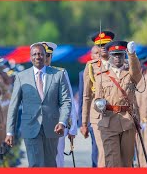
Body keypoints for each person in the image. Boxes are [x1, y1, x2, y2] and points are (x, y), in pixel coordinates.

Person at [5, 43, 72, 167]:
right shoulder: (21, 77)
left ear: (46, 55)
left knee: (50, 164)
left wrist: (62, 122)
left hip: (53, 127)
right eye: (34, 54)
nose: (38, 57)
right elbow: (13, 105)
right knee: (36, 164)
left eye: (41, 54)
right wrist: (10, 132)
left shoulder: (58, 75)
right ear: (30, 57)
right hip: (31, 127)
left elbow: (66, 101)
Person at [93, 40, 141, 167]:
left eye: (120, 54)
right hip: (109, 122)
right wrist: (99, 105)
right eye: (115, 55)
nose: (117, 58)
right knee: (112, 161)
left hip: (127, 121)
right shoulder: (101, 76)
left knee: (127, 162)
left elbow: (136, 72)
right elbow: (96, 99)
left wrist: (132, 54)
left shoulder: (130, 75)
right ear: (110, 56)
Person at [38, 41, 77, 167]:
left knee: (57, 157)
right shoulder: (29, 75)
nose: (44, 58)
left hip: (56, 124)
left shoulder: (60, 73)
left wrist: (73, 126)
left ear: (51, 57)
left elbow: (69, 99)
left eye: (47, 55)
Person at [80, 31, 115, 167]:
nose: (104, 47)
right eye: (100, 45)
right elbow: (87, 96)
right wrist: (84, 123)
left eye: (106, 44)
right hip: (99, 117)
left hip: (119, 115)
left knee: (118, 154)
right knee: (102, 153)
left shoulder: (121, 64)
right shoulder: (91, 67)